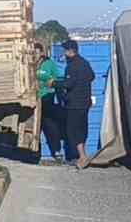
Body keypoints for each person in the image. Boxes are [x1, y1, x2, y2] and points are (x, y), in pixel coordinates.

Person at [51, 38, 96, 169]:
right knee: (82, 129)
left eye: (65, 51)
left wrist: (54, 83)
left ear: (71, 51)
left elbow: (68, 84)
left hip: (74, 104)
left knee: (73, 131)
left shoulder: (72, 66)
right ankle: (83, 155)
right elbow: (92, 76)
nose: (64, 53)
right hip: (85, 103)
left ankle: (82, 157)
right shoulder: (85, 63)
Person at [34, 42, 65, 164]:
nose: (34, 55)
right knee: (35, 127)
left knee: (51, 126)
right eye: (32, 53)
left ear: (41, 53)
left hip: (47, 98)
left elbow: (57, 78)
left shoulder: (49, 64)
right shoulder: (29, 64)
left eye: (36, 53)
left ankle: (56, 151)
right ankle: (35, 152)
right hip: (34, 100)